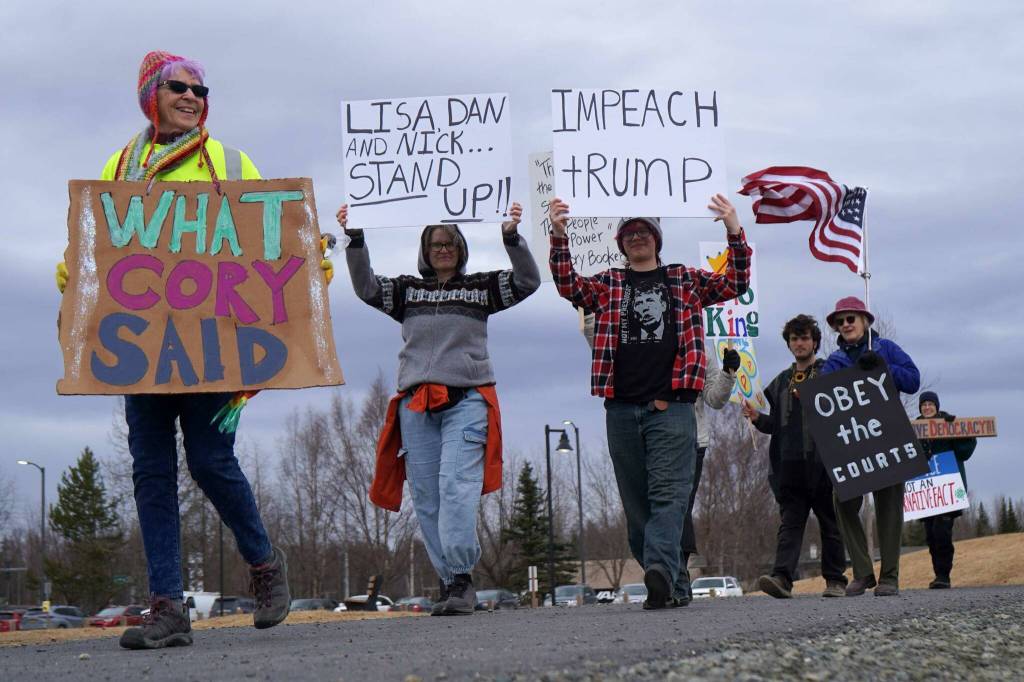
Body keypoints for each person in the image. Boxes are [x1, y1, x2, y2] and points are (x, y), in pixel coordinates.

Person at [55, 51, 306, 649]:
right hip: (144, 343)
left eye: (201, 88)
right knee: (151, 471)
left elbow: (267, 235)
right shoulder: (120, 164)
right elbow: (102, 239)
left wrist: (304, 264)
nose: (193, 96)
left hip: (212, 341)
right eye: (180, 86)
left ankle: (266, 564)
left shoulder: (229, 160)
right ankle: (167, 607)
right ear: (151, 93)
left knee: (209, 460)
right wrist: (75, 270)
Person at [549, 195, 751, 609]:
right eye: (630, 233)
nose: (638, 238)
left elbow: (736, 282)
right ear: (622, 244)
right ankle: (671, 583)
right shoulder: (607, 284)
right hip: (620, 407)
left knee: (669, 496)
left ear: (657, 240)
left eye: (644, 232)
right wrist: (558, 234)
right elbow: (568, 284)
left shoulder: (685, 279)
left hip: (674, 407)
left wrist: (733, 229)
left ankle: (657, 570)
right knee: (636, 503)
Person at [338, 201, 540, 616]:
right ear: (425, 251)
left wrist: (511, 238)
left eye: (449, 242)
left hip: (466, 400)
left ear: (461, 247)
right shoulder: (408, 292)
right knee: (427, 497)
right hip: (416, 405)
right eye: (435, 244)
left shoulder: (482, 288)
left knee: (455, 487)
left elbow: (527, 281)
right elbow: (366, 288)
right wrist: (355, 240)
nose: (443, 249)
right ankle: (449, 583)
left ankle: (463, 578)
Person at [579, 313, 739, 601]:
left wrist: (728, 374)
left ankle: (673, 578)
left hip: (691, 441)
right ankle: (670, 579)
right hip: (648, 436)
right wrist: (589, 316)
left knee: (674, 509)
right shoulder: (643, 342)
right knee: (648, 510)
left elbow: (715, 400)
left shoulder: (700, 352)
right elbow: (605, 349)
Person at [743, 314, 847, 599]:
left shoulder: (830, 372)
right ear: (788, 344)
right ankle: (782, 579)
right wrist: (756, 418)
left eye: (804, 338)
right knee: (790, 525)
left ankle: (836, 580)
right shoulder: (780, 383)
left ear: (815, 341)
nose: (799, 343)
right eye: (794, 339)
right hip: (788, 466)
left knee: (831, 524)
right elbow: (775, 425)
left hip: (826, 463)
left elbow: (846, 410)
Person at [821, 296, 920, 597]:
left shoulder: (886, 349)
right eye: (841, 320)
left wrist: (883, 367)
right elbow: (824, 401)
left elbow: (913, 380)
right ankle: (863, 572)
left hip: (886, 434)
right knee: (843, 498)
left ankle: (889, 576)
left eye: (852, 318)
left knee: (889, 503)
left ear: (865, 321)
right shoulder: (834, 362)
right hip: (852, 441)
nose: (846, 323)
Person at [916, 391, 977, 589]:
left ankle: (944, 575)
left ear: (936, 406)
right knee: (931, 535)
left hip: (948, 489)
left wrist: (961, 432)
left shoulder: (949, 424)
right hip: (925, 490)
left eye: (930, 404)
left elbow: (965, 452)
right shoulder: (912, 428)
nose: (927, 407)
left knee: (942, 531)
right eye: (923, 404)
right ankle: (938, 574)